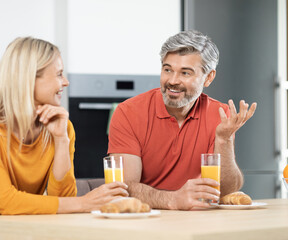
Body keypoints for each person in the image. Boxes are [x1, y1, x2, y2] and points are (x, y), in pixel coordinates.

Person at [0, 37, 128, 240]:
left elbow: (63, 200)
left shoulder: (61, 126)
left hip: (23, 232)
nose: (65, 82)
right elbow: (7, 203)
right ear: (29, 78)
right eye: (58, 74)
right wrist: (85, 203)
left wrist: (61, 139)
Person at [107, 30, 257, 211]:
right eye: (167, 69)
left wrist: (223, 140)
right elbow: (123, 188)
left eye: (185, 73)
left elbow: (227, 189)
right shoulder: (128, 112)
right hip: (145, 219)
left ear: (208, 77)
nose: (172, 80)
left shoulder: (220, 114)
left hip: (198, 220)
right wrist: (173, 199)